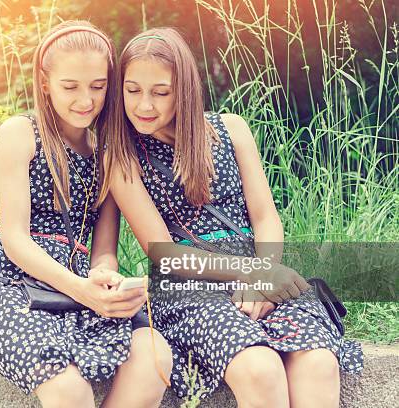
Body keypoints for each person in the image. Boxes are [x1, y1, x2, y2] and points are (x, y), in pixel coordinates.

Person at [102, 27, 363, 407]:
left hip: (261, 270)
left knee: (319, 363)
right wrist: (249, 273)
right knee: (260, 369)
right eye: (132, 90)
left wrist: (264, 272)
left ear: (184, 90)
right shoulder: (121, 155)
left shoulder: (230, 129)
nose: (144, 105)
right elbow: (164, 253)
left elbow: (265, 217)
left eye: (160, 92)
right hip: (192, 286)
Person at [0, 21, 172, 408]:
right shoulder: (20, 133)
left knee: (154, 355)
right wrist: (79, 288)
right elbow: (14, 239)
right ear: (45, 84)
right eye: (70, 87)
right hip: (9, 286)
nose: (86, 100)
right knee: (68, 389)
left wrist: (103, 277)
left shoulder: (107, 154)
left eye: (98, 86)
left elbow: (103, 250)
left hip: (75, 289)